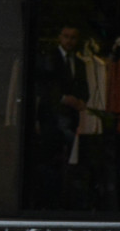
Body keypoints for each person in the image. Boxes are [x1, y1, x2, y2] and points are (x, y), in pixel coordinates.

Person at [32, 24, 89, 209]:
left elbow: (83, 88)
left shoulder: (79, 63)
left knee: (70, 162)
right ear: (59, 37)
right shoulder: (49, 58)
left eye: (73, 37)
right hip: (53, 118)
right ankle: (50, 200)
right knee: (52, 162)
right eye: (66, 36)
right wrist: (64, 99)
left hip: (71, 118)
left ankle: (65, 200)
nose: (69, 41)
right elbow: (44, 87)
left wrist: (80, 101)